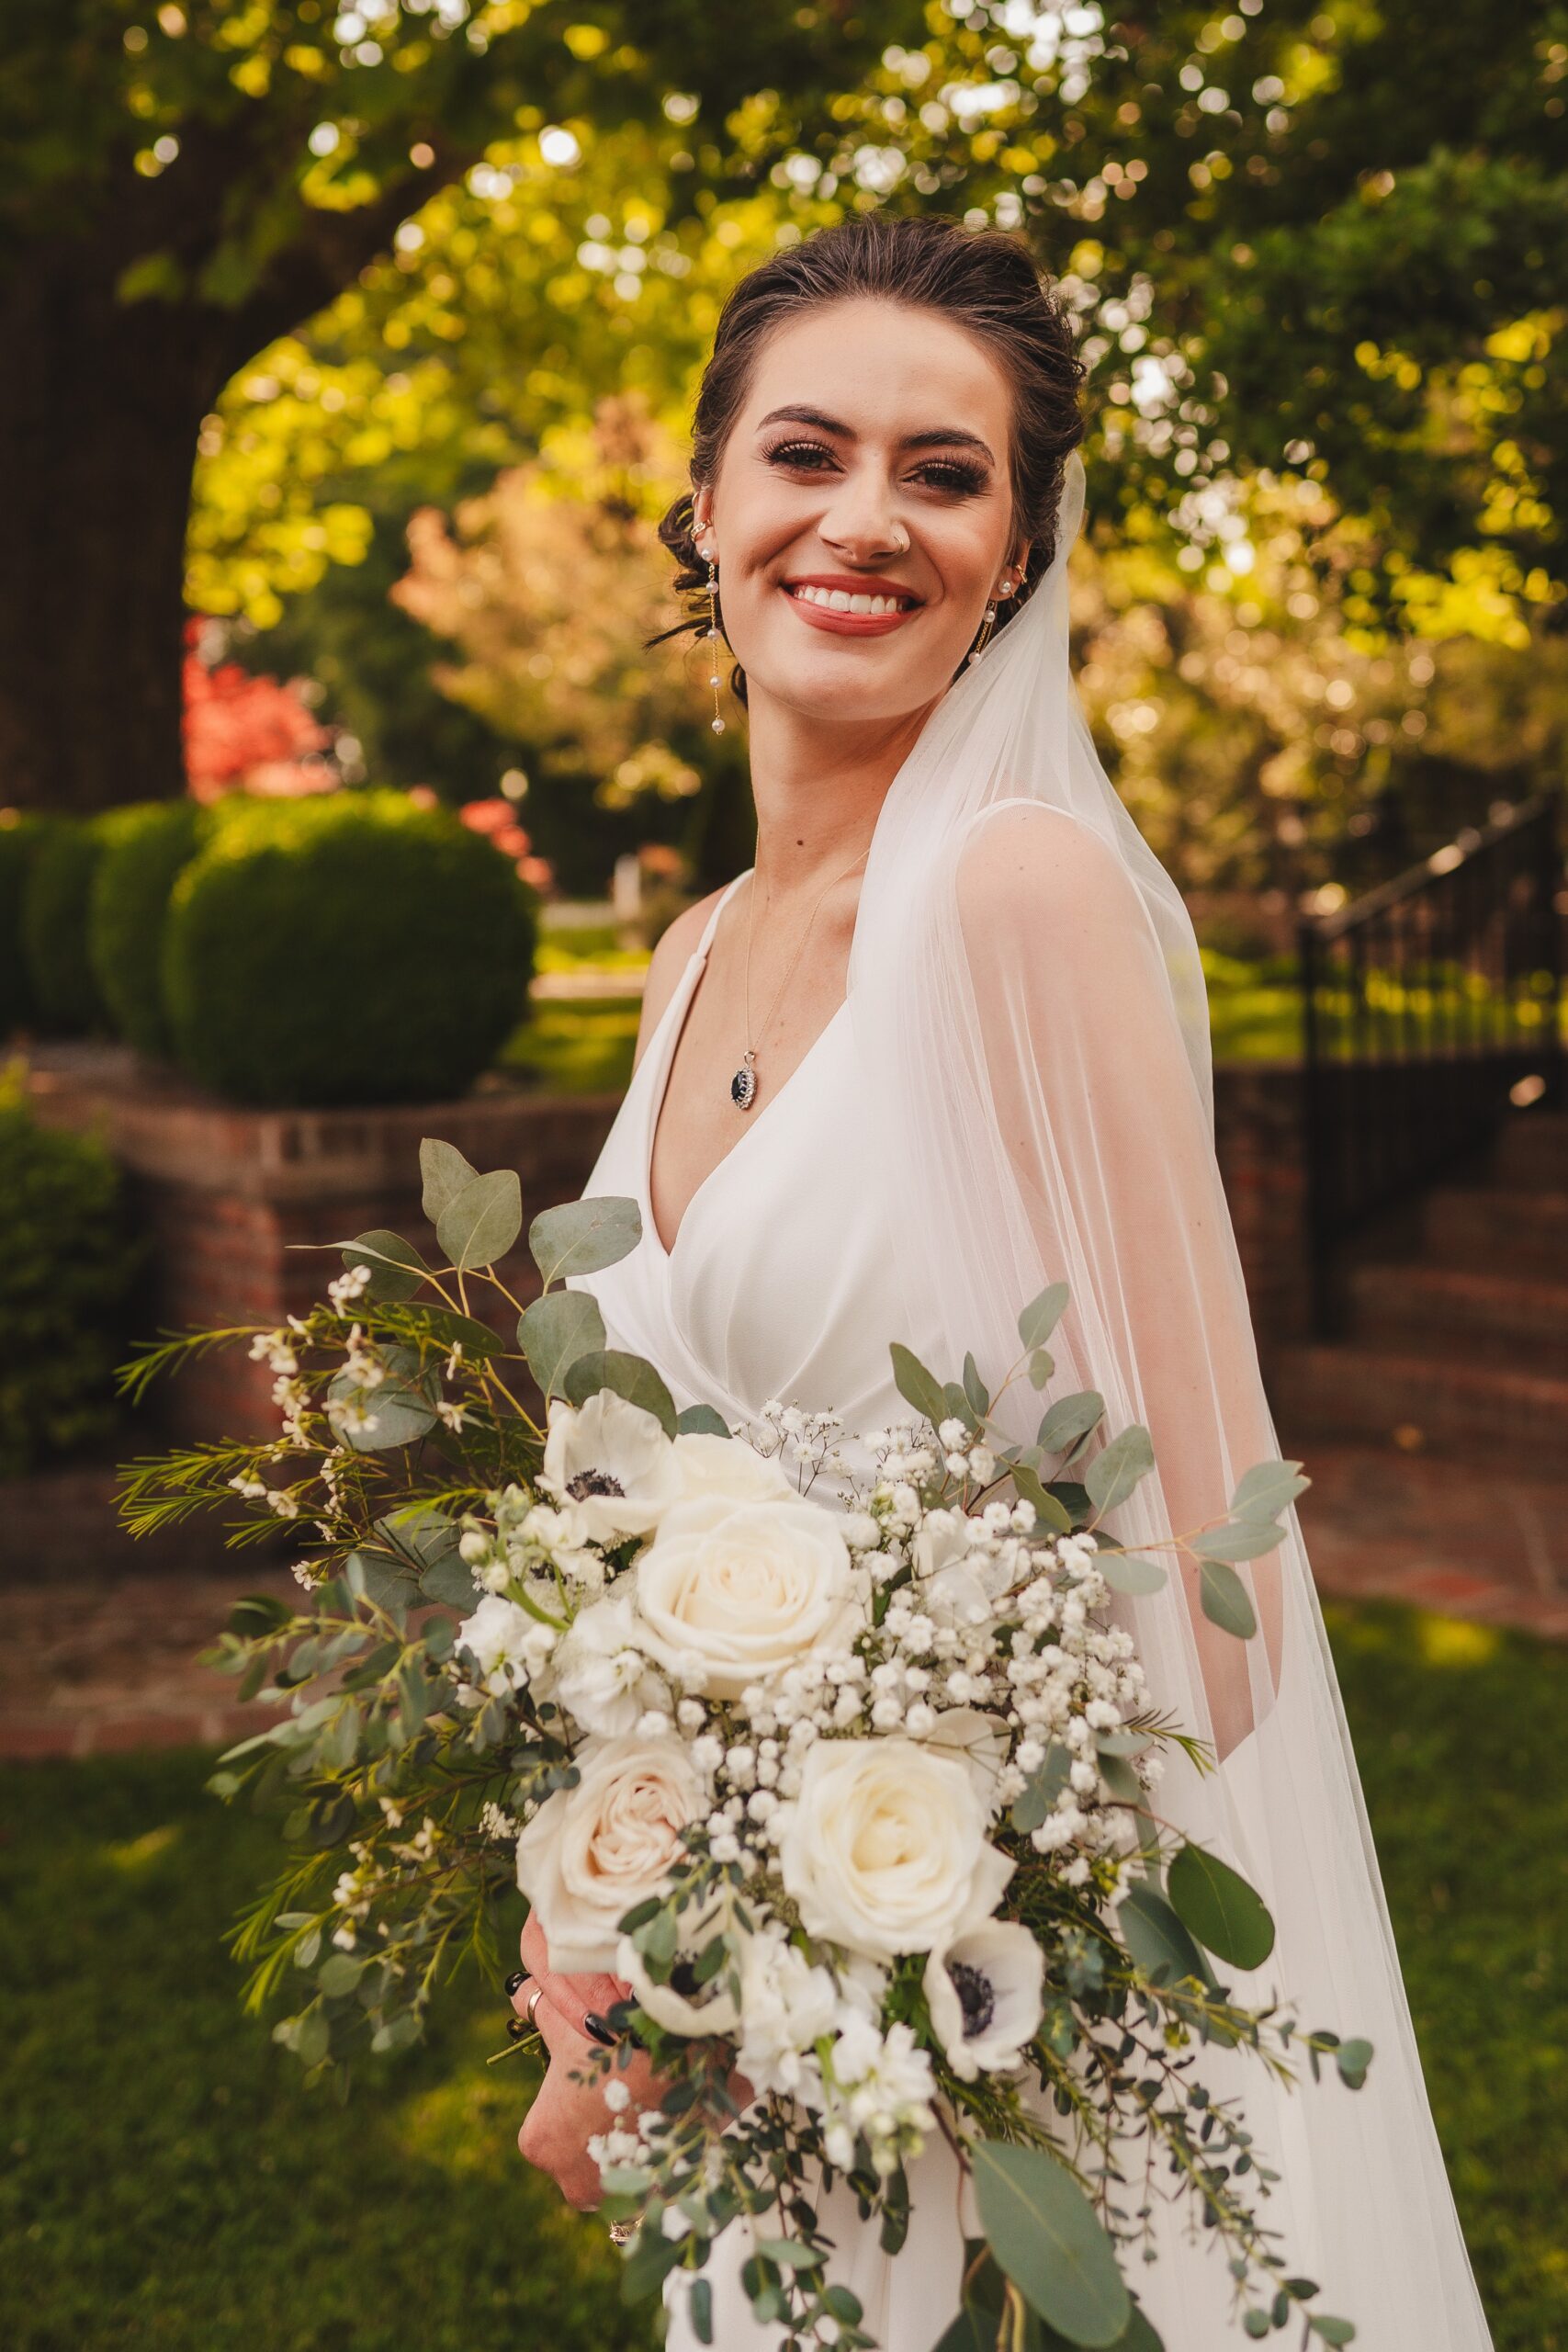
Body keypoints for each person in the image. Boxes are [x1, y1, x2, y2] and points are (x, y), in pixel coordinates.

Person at [504, 214, 1495, 2350]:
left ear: (1018, 550)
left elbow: (1208, 1594)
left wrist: (877, 1938)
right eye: (804, 452)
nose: (862, 519)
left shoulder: (1015, 898)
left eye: (940, 474)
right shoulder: (684, 958)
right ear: (703, 503)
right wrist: (616, 1920)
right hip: (746, 2035)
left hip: (995, 2016)